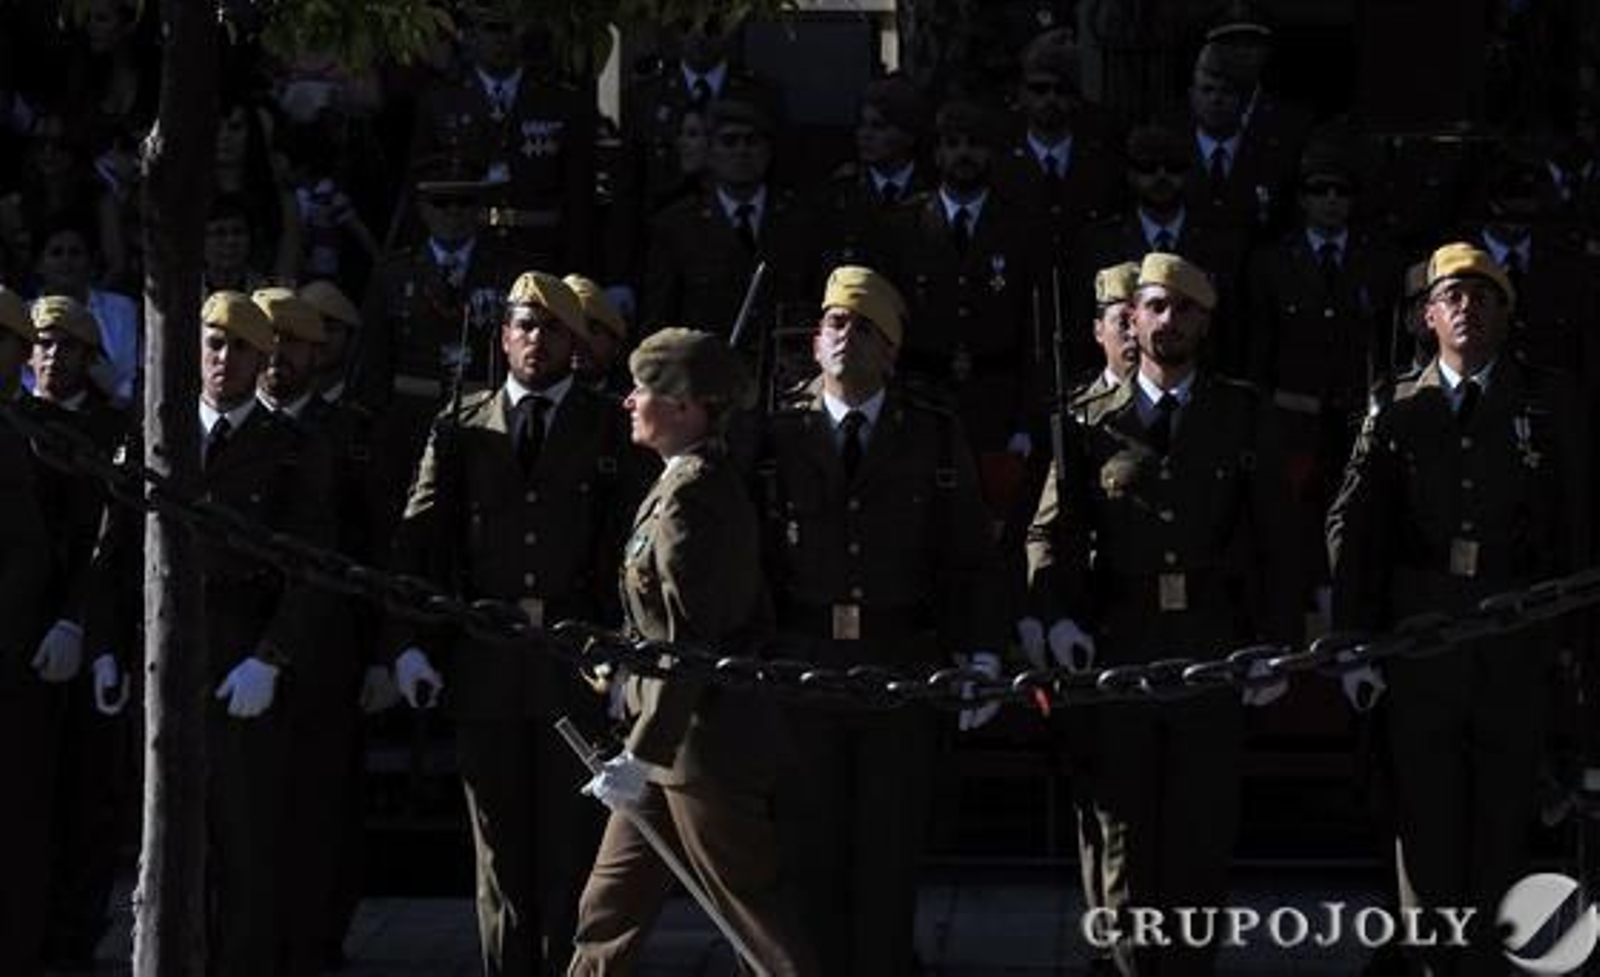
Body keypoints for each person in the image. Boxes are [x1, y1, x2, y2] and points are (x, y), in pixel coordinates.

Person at [1327, 242, 1592, 972]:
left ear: (1507, 311)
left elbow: (1577, 522)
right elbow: (1354, 528)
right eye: (1453, 296)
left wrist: (1573, 642)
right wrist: (1353, 639)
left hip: (1517, 634)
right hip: (1423, 637)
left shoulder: (1547, 400)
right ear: (1428, 315)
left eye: (1484, 295)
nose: (1467, 307)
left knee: (1504, 814)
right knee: (1426, 814)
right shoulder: (1395, 402)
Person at [1024, 252, 1290, 976]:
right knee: (1123, 833)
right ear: (1131, 319)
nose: (1168, 321)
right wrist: (1055, 616)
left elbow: (1277, 534)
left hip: (1212, 640)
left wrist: (1275, 639)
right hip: (1119, 639)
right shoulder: (1083, 421)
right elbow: (1049, 530)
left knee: (1201, 832)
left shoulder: (1241, 414)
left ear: (1205, 324)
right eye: (1155, 307)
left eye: (1185, 310)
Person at [389, 271, 654, 975]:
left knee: (570, 848)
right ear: (502, 336)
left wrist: (629, 655)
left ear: (576, 342)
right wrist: (410, 645)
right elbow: (419, 542)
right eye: (523, 326)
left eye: (553, 328)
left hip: (576, 662)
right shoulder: (459, 424)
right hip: (486, 658)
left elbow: (633, 546)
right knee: (500, 852)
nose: (536, 340)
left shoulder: (605, 425)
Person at [759, 266, 1004, 975]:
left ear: (891, 351)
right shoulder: (775, 428)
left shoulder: (929, 432)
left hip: (899, 661)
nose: (846, 337)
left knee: (888, 846)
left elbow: (969, 555)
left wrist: (980, 652)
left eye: (865, 328)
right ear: (814, 342)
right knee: (808, 843)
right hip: (801, 663)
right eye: (835, 323)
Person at [569, 327, 816, 976]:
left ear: (685, 407)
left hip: (704, 749)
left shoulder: (693, 496)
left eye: (643, 389)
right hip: (660, 746)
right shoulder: (675, 485)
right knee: (607, 908)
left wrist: (642, 754)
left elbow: (690, 643)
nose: (628, 401)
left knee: (753, 918)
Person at [194, 289, 335, 977]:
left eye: (240, 347)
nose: (224, 359)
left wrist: (271, 657)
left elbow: (311, 566)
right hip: (169, 650)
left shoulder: (289, 450)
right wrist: (100, 640)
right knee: (170, 841)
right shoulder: (159, 433)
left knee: (247, 838)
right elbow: (116, 549)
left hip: (243, 646)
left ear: (263, 358)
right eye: (214, 343)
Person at [563, 272, 631, 396]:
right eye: (570, 330)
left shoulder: (633, 408)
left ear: (616, 344)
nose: (579, 340)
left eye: (592, 330)